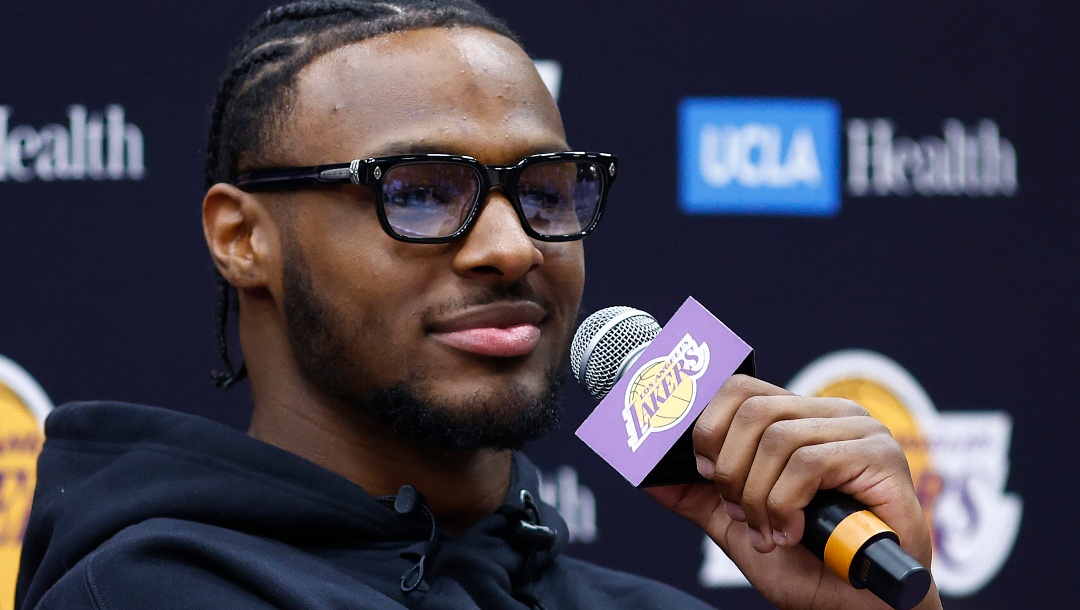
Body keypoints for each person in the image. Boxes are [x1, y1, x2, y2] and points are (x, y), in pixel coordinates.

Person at [16, 1, 943, 608]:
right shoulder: (148, 591)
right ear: (241, 238)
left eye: (544, 192)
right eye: (417, 191)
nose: (511, 247)